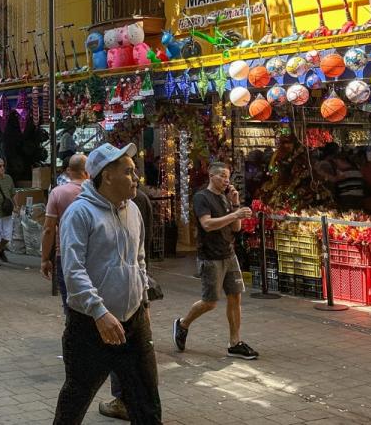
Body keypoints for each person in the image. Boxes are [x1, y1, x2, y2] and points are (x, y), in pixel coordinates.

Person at [54, 143, 159, 425]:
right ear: (107, 175)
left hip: (133, 321)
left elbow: (139, 259)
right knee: (76, 397)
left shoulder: (134, 210)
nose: (136, 178)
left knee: (146, 400)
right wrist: (99, 312)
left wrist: (143, 300)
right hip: (90, 325)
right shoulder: (80, 213)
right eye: (128, 172)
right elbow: (72, 270)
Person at [172, 162, 258, 360]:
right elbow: (207, 224)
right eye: (222, 176)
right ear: (211, 176)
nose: (226, 180)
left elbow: (236, 228)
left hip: (229, 254)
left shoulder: (226, 198)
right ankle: (183, 323)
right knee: (210, 302)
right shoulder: (202, 197)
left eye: (228, 176)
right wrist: (234, 214)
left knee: (235, 296)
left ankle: (234, 343)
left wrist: (235, 205)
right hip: (210, 257)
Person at [41, 152, 88, 310]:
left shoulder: (58, 193)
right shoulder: (97, 192)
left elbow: (48, 229)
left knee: (70, 300)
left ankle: (74, 330)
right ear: (87, 170)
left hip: (66, 252)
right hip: (93, 252)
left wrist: (45, 258)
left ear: (69, 170)